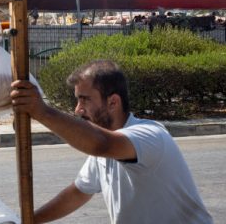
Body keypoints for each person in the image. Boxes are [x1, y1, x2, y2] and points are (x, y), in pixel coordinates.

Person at [11, 60, 213, 223]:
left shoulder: (150, 135)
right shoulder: (104, 146)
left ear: (113, 102)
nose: (78, 109)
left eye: (85, 100)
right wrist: (28, 221)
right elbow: (78, 192)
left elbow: (101, 143)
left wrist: (42, 111)